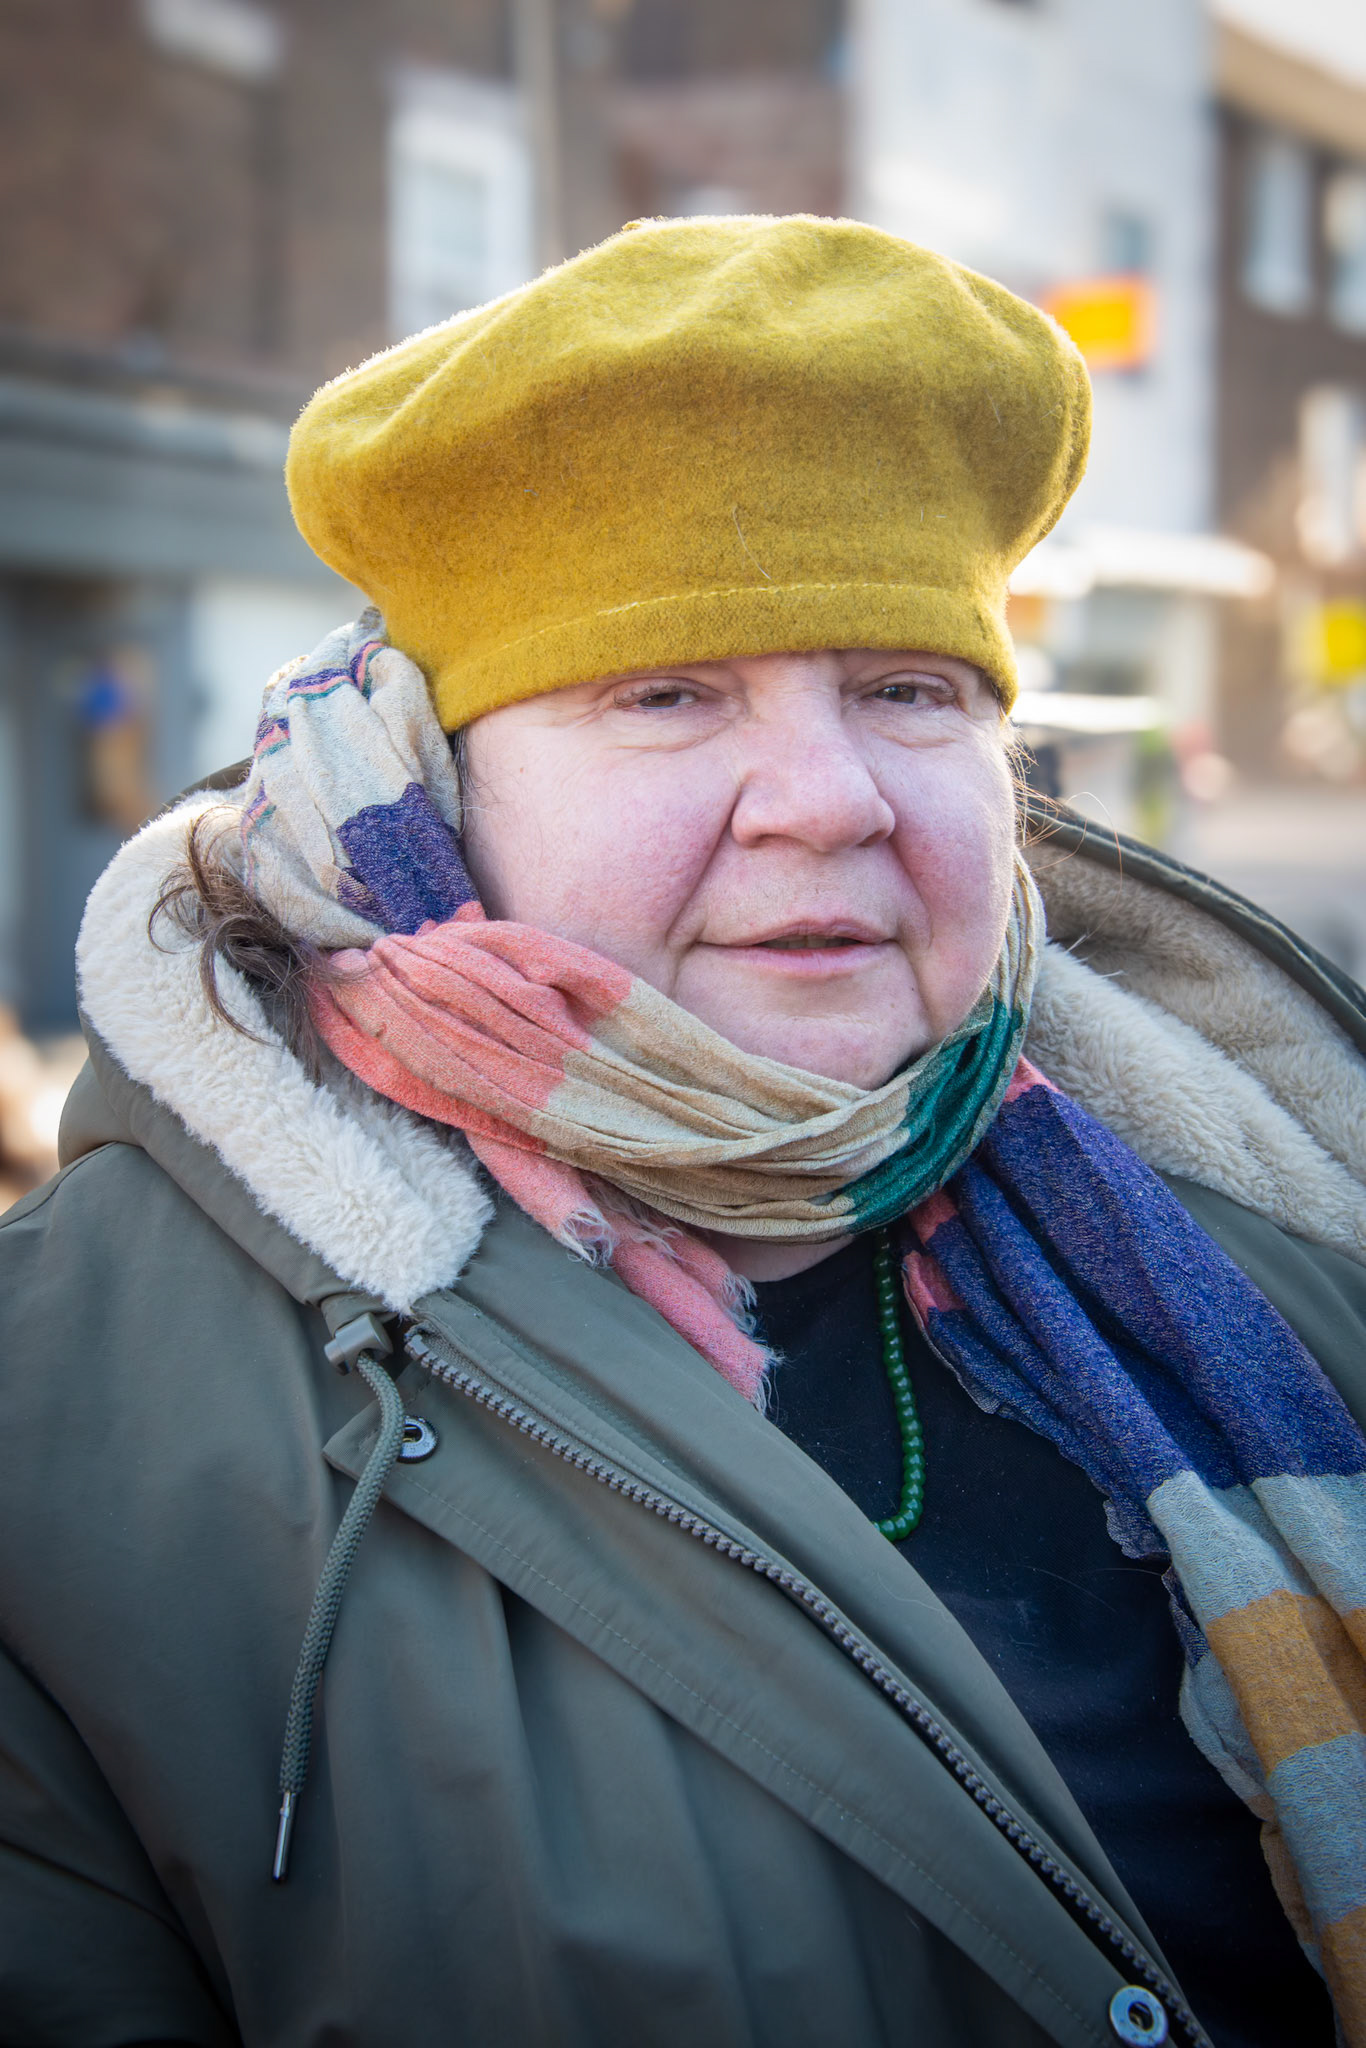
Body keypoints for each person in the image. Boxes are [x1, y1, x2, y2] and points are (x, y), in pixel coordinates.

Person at [1, 215, 1364, 2048]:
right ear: (435, 789)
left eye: (906, 691)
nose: (827, 800)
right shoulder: (51, 1440)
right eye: (664, 693)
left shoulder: (1289, 1255)